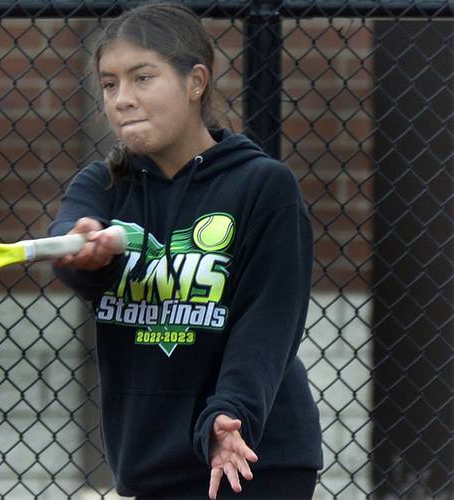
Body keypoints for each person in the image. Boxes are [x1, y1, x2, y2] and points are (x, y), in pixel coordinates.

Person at [49, 3, 323, 499]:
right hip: (149, 463)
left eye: (142, 78)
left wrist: (228, 415)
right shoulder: (103, 186)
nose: (122, 99)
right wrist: (86, 250)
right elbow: (74, 232)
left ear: (195, 81)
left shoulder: (263, 186)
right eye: (110, 84)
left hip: (249, 456)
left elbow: (267, 323)